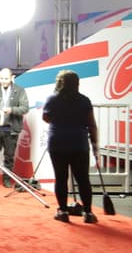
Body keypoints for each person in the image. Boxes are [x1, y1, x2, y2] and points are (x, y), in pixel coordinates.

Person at [42, 69, 99, 224]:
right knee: (83, 179)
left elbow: (46, 117)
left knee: (61, 178)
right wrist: (95, 146)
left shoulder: (52, 99)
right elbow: (92, 125)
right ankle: (88, 212)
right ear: (77, 84)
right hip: (79, 144)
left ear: (60, 83)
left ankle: (63, 212)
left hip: (57, 143)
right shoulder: (84, 101)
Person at [0, 67, 29, 188]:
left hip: (11, 129)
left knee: (9, 156)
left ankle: (7, 179)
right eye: (1, 78)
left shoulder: (20, 90)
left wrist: (11, 110)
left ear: (12, 77)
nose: (3, 81)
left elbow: (25, 108)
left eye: (6, 78)